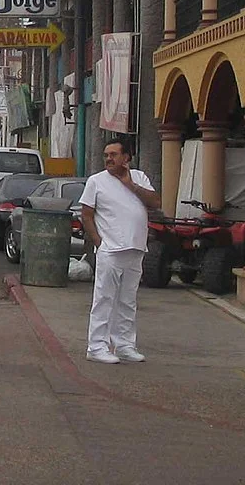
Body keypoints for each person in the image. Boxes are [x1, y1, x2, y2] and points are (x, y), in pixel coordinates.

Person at [79, 139, 160, 364]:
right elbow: (86, 214)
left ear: (126, 158)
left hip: (135, 247)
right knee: (104, 298)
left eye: (114, 154)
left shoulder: (139, 177)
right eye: (106, 155)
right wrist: (99, 242)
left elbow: (155, 202)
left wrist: (130, 184)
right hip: (110, 249)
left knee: (127, 300)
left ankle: (124, 345)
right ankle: (97, 346)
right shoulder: (96, 181)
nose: (109, 159)